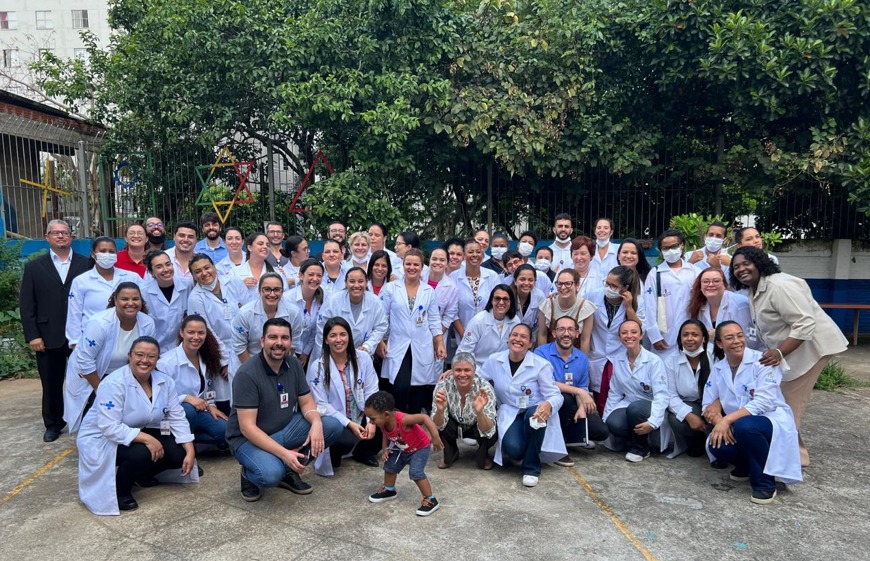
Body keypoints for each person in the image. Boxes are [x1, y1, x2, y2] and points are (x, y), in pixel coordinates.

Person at [730, 246, 848, 466]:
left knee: (787, 407)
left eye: (746, 263)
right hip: (788, 352)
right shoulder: (754, 290)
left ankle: (791, 461)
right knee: (781, 403)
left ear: (760, 262)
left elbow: (805, 322)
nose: (741, 269)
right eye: (736, 267)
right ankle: (796, 455)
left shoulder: (779, 285)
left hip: (810, 349)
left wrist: (779, 351)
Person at [226, 318, 344, 502]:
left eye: (284, 338)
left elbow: (306, 402)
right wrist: (284, 454)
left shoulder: (293, 364)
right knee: (270, 475)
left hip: (284, 429)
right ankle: (250, 474)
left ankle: (289, 469)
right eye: (273, 337)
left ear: (291, 342)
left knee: (332, 426)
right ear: (263, 341)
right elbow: (247, 428)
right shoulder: (247, 374)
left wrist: (316, 422)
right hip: (248, 439)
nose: (279, 343)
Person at [76, 336, 196, 515]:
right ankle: (120, 491)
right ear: (129, 356)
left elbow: (176, 416)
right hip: (101, 437)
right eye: (139, 355)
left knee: (179, 453)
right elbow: (108, 426)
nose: (145, 360)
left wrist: (190, 449)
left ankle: (142, 475)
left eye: (151, 356)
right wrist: (148, 439)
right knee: (143, 453)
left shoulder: (165, 381)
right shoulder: (113, 383)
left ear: (157, 359)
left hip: (138, 429)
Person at [703, 321, 802, 504]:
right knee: (717, 445)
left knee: (745, 427)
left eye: (740, 335)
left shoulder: (763, 361)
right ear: (719, 344)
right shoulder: (718, 368)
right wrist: (719, 421)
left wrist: (727, 420)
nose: (737, 341)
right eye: (729, 337)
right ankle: (745, 467)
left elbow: (763, 402)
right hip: (739, 423)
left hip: (769, 420)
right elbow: (707, 403)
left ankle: (764, 484)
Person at [20, 219, 90, 442]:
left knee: (87, 379)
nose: (61, 236)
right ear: (47, 237)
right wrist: (33, 335)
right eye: (55, 233)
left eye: (65, 233)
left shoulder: (86, 264)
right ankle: (53, 423)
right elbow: (27, 304)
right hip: (48, 335)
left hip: (80, 335)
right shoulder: (34, 267)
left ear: (71, 237)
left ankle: (88, 419)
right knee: (50, 382)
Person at [63, 283, 157, 434]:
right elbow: (85, 360)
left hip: (126, 375)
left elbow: (147, 356)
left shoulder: (147, 323)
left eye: (135, 299)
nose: (131, 303)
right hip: (94, 375)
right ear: (115, 300)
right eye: (124, 299)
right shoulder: (99, 323)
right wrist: (100, 389)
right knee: (99, 419)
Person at [479, 324, 565, 487]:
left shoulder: (541, 365)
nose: (518, 339)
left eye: (523, 337)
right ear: (509, 339)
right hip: (511, 412)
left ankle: (531, 468)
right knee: (514, 450)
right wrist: (454, 372)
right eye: (514, 335)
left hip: (534, 411)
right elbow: (477, 378)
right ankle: (527, 447)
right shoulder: (495, 360)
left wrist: (548, 404)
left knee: (534, 417)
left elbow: (556, 395)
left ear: (530, 343)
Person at [307, 318, 381, 475]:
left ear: (349, 337)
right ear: (326, 340)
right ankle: (339, 452)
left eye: (343, 334)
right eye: (333, 335)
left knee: (387, 417)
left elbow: (372, 390)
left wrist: (371, 421)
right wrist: (349, 424)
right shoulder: (318, 367)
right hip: (339, 419)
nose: (338, 340)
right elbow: (322, 405)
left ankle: (362, 451)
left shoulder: (363, 358)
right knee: (344, 441)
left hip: (362, 414)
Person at [535, 316, 609, 467]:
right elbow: (547, 382)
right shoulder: (541, 353)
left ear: (577, 333)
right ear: (554, 333)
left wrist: (582, 407)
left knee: (601, 431)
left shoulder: (581, 358)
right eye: (561, 329)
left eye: (570, 329)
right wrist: (579, 392)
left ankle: (571, 437)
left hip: (570, 404)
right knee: (564, 398)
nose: (566, 333)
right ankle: (558, 448)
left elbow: (582, 388)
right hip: (545, 403)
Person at [381, 249, 447, 413]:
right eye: (408, 264)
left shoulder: (428, 291)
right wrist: (381, 341)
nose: (412, 267)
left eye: (416, 264)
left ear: (421, 266)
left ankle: (414, 433)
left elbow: (434, 319)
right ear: (402, 265)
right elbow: (382, 318)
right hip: (397, 343)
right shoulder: (391, 288)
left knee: (418, 391)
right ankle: (396, 431)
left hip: (421, 344)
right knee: (400, 388)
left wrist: (438, 342)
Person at [365, 390, 443, 516]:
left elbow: (424, 417)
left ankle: (431, 500)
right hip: (401, 447)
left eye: (372, 418)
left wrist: (435, 436)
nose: (370, 422)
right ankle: (389, 490)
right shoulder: (383, 422)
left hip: (419, 448)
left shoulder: (403, 420)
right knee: (390, 465)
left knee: (416, 472)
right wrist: (385, 448)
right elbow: (386, 434)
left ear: (386, 414)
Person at [603, 319, 671, 462]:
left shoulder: (654, 361)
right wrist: (606, 418)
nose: (629, 336)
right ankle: (635, 439)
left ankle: (641, 448)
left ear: (641, 336)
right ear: (619, 337)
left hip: (649, 405)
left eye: (634, 332)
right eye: (624, 333)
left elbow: (662, 395)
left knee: (636, 408)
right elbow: (615, 392)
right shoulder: (618, 360)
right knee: (614, 423)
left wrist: (653, 422)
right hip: (629, 404)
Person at [187, 254, 248, 411]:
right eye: (198, 271)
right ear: (193, 275)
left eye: (207, 267)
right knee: (225, 398)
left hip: (245, 346)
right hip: (218, 352)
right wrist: (224, 362)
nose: (204, 273)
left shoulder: (233, 282)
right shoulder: (195, 298)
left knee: (249, 392)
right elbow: (206, 330)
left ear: (214, 267)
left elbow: (248, 310)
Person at [157, 315, 229, 448]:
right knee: (188, 410)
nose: (196, 337)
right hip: (175, 413)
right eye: (191, 332)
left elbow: (209, 388)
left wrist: (211, 405)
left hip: (199, 410)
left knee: (225, 432)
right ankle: (183, 446)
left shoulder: (206, 357)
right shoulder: (166, 363)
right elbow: (160, 399)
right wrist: (186, 398)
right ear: (181, 333)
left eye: (201, 333)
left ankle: (190, 439)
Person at [588, 266, 644, 415]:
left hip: (620, 354)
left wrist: (629, 307)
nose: (608, 288)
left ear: (625, 288)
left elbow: (640, 329)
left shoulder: (637, 300)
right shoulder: (593, 295)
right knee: (600, 399)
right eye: (607, 283)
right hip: (597, 354)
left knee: (619, 397)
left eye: (613, 286)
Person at [66, 237, 142, 346]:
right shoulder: (81, 281)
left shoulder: (132, 277)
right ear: (93, 254)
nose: (107, 255)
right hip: (92, 339)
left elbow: (144, 306)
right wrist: (75, 342)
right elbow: (74, 314)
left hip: (127, 338)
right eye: (102, 251)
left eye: (111, 252)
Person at [431, 352, 497, 469]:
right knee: (440, 423)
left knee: (491, 431)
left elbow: (489, 430)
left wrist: (480, 412)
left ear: (474, 370)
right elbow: (436, 425)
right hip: (454, 423)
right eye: (458, 370)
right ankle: (451, 451)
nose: (462, 374)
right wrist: (440, 411)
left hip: (476, 426)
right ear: (451, 371)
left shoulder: (485, 388)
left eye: (467, 370)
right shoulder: (442, 386)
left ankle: (483, 453)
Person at [643, 229, 700, 359]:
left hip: (690, 334)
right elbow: (649, 307)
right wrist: (654, 335)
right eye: (666, 248)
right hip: (664, 337)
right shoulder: (655, 273)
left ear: (682, 246)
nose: (670, 250)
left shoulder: (695, 272)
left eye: (674, 246)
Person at [314, 267, 388, 363]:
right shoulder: (333, 301)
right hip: (332, 355)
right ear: (346, 283)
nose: (356, 285)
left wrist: (367, 346)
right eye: (352, 281)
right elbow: (321, 329)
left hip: (362, 356)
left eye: (360, 281)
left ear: (366, 283)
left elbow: (381, 326)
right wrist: (327, 355)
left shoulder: (375, 302)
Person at [233, 273, 305, 365]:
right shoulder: (245, 313)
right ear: (259, 291)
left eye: (277, 290)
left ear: (282, 292)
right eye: (267, 289)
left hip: (281, 362)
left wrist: (277, 366)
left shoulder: (294, 313)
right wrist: (256, 372)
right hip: (249, 362)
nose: (272, 294)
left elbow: (293, 344)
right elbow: (240, 347)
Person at [665, 319, 713, 457]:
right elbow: (670, 395)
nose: (689, 339)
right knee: (676, 419)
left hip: (715, 405)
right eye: (685, 335)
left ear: (704, 338)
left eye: (695, 334)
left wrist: (714, 409)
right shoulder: (671, 360)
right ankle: (697, 441)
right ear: (680, 339)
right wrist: (689, 416)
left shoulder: (715, 356)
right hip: (692, 405)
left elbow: (724, 389)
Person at [457, 284, 520, 368]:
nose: (501, 302)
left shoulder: (515, 321)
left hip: (504, 368)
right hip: (478, 368)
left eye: (505, 299)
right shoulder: (478, 321)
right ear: (491, 301)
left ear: (510, 302)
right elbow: (464, 352)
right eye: (497, 298)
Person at [142, 250, 192, 354]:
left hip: (182, 349)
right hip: (154, 350)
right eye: (159, 267)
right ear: (151, 272)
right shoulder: (143, 292)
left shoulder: (187, 285)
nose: (166, 269)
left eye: (168, 264)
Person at [687, 268, 754, 346]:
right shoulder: (699, 306)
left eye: (716, 281)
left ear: (724, 285)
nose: (711, 284)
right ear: (700, 287)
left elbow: (752, 339)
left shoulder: (740, 304)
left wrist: (720, 337)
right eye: (705, 281)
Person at [450, 238, 499, 341]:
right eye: (470, 252)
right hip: (463, 334)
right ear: (464, 255)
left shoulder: (492, 276)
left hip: (489, 334)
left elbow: (498, 305)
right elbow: (452, 311)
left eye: (478, 252)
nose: (475, 255)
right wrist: (464, 335)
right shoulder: (453, 278)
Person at [537, 268, 596, 352]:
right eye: (560, 284)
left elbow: (585, 340)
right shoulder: (547, 305)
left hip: (575, 355)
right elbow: (542, 335)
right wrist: (543, 359)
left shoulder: (586, 308)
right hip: (551, 355)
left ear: (577, 285)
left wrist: (582, 363)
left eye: (568, 284)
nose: (563, 287)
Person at [424, 247, 459, 371]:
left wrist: (436, 337)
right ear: (429, 261)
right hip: (414, 331)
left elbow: (449, 316)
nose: (437, 262)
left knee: (432, 372)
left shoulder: (451, 287)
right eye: (434, 259)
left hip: (438, 334)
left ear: (447, 264)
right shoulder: (419, 277)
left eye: (442, 260)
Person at [288, 259, 324, 369]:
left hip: (309, 353)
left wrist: (305, 353)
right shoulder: (288, 299)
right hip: (288, 351)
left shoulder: (322, 300)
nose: (315, 279)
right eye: (311, 274)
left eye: (319, 275)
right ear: (301, 275)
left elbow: (316, 329)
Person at [232, 232, 287, 304]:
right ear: (249, 247)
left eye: (267, 245)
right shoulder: (234, 272)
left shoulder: (277, 273)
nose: (265, 247)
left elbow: (285, 298)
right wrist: (241, 286)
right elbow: (229, 298)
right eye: (260, 244)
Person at [511, 264, 545, 332]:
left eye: (530, 280)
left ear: (535, 282)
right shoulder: (508, 296)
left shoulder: (540, 297)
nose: (526, 283)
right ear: (515, 281)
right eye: (522, 279)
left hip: (532, 339)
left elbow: (541, 329)